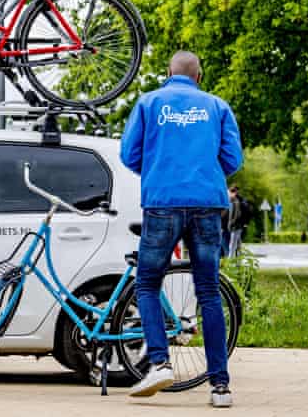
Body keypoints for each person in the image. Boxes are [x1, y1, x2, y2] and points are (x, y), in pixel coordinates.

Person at [120, 51, 243, 407]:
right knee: (208, 291)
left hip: (162, 202)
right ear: (199, 76)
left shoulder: (148, 103)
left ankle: (159, 362)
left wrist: (162, 169)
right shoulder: (218, 107)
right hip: (208, 203)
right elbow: (233, 159)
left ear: (167, 73)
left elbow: (129, 155)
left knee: (146, 282)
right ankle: (220, 387)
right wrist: (202, 171)